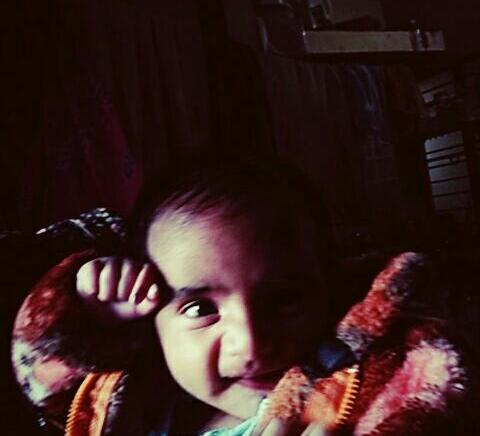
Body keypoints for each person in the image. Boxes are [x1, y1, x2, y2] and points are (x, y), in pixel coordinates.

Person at [11, 154, 478, 435]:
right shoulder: (138, 406)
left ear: (329, 291)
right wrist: (86, 322)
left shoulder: (377, 401)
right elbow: (46, 381)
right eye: (200, 308)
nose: (250, 343)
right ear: (153, 325)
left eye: (283, 301)